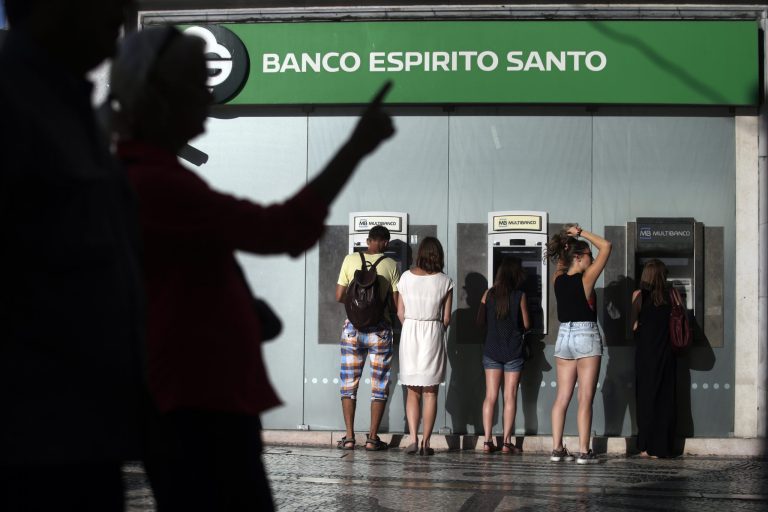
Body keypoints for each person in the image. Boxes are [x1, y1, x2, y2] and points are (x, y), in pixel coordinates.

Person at [108, 27, 394, 510]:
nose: (209, 95)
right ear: (162, 96)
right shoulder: (160, 184)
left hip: (189, 394)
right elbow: (283, 229)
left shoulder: (145, 175)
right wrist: (355, 148)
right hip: (197, 399)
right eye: (197, 83)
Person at [0, 1, 145, 510]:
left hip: (83, 428)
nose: (117, 10)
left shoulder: (67, 103)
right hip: (34, 437)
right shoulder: (16, 103)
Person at [546, 223, 611, 464]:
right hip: (585, 335)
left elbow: (564, 261)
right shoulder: (586, 280)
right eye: (588, 256)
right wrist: (580, 233)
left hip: (563, 335)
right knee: (585, 397)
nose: (591, 259)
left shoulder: (557, 278)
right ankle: (584, 451)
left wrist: (567, 238)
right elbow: (607, 246)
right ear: (578, 257)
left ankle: (557, 449)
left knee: (562, 397)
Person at [335, 225, 401, 451]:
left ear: (367, 239)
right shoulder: (392, 265)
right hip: (380, 331)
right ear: (385, 242)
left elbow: (338, 296)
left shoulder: (350, 259)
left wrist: (358, 307)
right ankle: (372, 439)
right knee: (379, 385)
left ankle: (350, 437)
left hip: (352, 330)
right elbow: (395, 304)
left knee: (348, 385)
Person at [396, 237, 454, 456]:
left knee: (412, 390)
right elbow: (446, 317)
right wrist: (436, 330)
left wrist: (411, 325)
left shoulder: (405, 278)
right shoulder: (445, 281)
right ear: (439, 255)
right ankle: (426, 443)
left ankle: (413, 438)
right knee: (431, 392)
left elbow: (400, 312)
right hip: (433, 332)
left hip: (410, 331)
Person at [476, 257, 530, 454]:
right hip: (513, 351)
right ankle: (507, 443)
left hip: (492, 350)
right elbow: (526, 324)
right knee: (510, 396)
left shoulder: (488, 294)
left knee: (490, 396)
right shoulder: (520, 295)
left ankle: (487, 441)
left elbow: (480, 322)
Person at [631, 259, 679, 458]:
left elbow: (633, 327)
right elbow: (680, 320)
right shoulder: (674, 295)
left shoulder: (639, 295)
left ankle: (645, 446)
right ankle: (662, 447)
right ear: (662, 276)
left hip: (646, 355)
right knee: (665, 399)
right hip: (667, 354)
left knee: (646, 398)